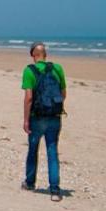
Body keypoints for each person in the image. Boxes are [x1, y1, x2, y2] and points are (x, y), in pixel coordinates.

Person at [21, 42, 67, 202]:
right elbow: (63, 94)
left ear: (33, 55)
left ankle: (30, 183)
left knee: (33, 150)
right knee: (52, 151)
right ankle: (54, 190)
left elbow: (29, 98)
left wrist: (26, 120)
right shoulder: (58, 68)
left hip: (36, 116)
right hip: (54, 116)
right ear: (45, 54)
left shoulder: (29, 71)